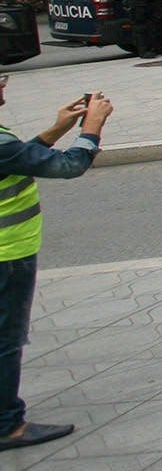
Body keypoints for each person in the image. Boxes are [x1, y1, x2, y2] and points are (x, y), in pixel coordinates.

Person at [1, 77, 112, 451]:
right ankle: (7, 425)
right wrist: (91, 128)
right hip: (7, 254)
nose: (4, 85)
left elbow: (14, 160)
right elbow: (69, 166)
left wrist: (55, 130)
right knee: (6, 339)